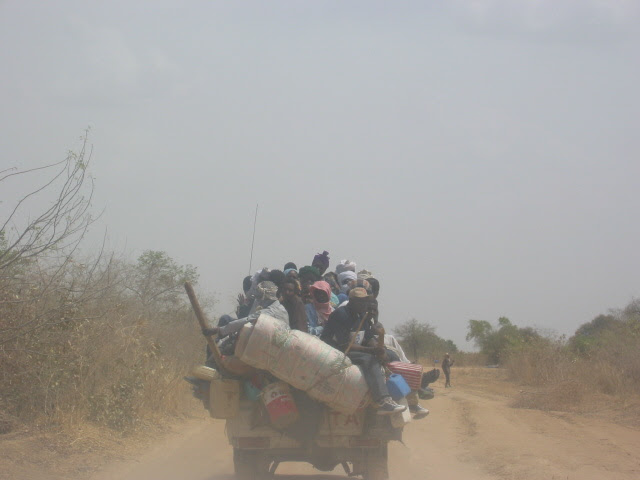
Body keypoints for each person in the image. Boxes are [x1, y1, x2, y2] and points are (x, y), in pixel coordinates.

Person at [320, 287, 406, 415]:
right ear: (351, 301)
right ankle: (382, 400)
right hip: (337, 350)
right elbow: (345, 345)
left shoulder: (362, 315)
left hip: (355, 348)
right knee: (369, 359)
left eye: (365, 301)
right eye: (360, 301)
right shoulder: (341, 315)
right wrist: (371, 351)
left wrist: (379, 349)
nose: (364, 304)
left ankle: (405, 393)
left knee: (391, 355)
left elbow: (368, 337)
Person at [202, 281, 288, 341]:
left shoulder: (268, 312)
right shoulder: (281, 308)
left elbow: (246, 320)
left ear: (265, 296)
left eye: (259, 296)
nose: (258, 299)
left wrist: (219, 330)